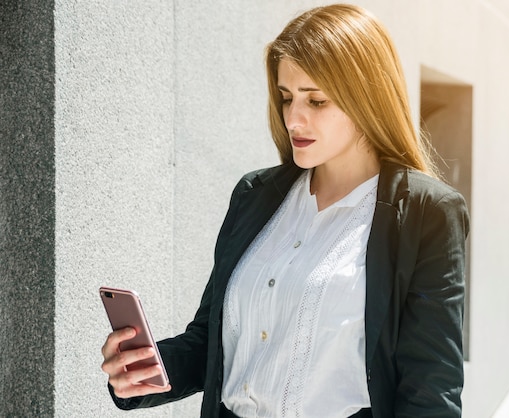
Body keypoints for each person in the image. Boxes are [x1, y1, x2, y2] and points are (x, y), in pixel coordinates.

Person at [101, 4, 469, 417]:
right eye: (286, 96)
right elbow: (212, 340)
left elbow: (431, 390)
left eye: (316, 100)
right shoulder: (254, 195)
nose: (294, 118)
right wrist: (145, 369)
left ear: (368, 98)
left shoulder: (426, 213)